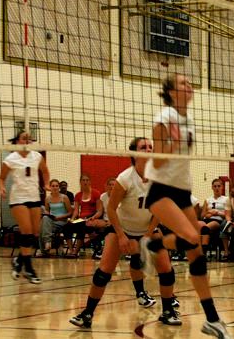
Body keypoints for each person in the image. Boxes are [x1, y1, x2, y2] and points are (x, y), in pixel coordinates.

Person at [139, 73, 231, 338]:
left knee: (196, 251)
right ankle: (154, 244)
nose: (189, 85)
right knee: (191, 237)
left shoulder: (188, 119)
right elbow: (158, 161)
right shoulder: (163, 118)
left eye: (189, 82)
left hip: (182, 191)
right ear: (171, 91)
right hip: (160, 190)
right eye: (182, 83)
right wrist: (172, 145)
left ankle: (212, 319)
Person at [69, 137, 181, 328]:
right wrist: (121, 236)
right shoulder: (125, 178)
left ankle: (168, 311)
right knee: (103, 272)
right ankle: (87, 314)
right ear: (134, 153)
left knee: (166, 270)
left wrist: (148, 234)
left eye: (150, 147)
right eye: (143, 147)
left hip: (148, 228)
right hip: (122, 228)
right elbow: (111, 209)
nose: (149, 149)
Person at [0, 130, 50, 284]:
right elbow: (1, 178)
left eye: (29, 139)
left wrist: (47, 183)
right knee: (26, 232)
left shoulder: (37, 156)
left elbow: (45, 171)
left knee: (34, 234)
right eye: (24, 138)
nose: (27, 141)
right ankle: (29, 269)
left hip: (34, 197)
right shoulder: (11, 158)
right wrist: (2, 187)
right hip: (18, 199)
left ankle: (18, 260)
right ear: (17, 141)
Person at [65, 174, 102, 257]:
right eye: (83, 180)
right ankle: (71, 250)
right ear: (80, 182)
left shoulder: (96, 193)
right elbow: (76, 211)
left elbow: (99, 211)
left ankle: (76, 252)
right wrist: (72, 219)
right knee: (67, 227)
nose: (85, 182)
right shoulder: (78, 195)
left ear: (90, 182)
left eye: (87, 180)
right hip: (81, 219)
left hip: (92, 218)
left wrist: (93, 217)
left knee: (81, 226)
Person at [39, 179, 72, 255]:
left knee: (43, 226)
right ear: (50, 187)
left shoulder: (64, 197)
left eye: (56, 186)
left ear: (59, 187)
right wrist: (46, 214)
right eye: (53, 186)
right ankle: (45, 248)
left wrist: (59, 218)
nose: (55, 187)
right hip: (52, 220)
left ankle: (46, 246)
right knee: (43, 222)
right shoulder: (47, 198)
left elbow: (70, 212)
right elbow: (47, 211)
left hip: (62, 221)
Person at [200, 179, 229, 257]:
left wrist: (218, 213)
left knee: (205, 228)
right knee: (197, 225)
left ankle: (203, 253)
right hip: (207, 219)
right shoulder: (207, 200)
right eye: (215, 186)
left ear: (222, 187)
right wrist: (208, 213)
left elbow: (228, 215)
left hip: (218, 220)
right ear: (212, 187)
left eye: (219, 186)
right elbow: (202, 215)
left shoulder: (226, 199)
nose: (217, 188)